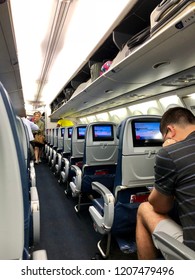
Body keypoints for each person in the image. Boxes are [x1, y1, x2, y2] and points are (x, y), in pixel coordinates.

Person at [136, 107, 195, 259]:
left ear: (170, 130)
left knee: (144, 208)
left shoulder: (170, 153)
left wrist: (169, 150)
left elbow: (161, 207)